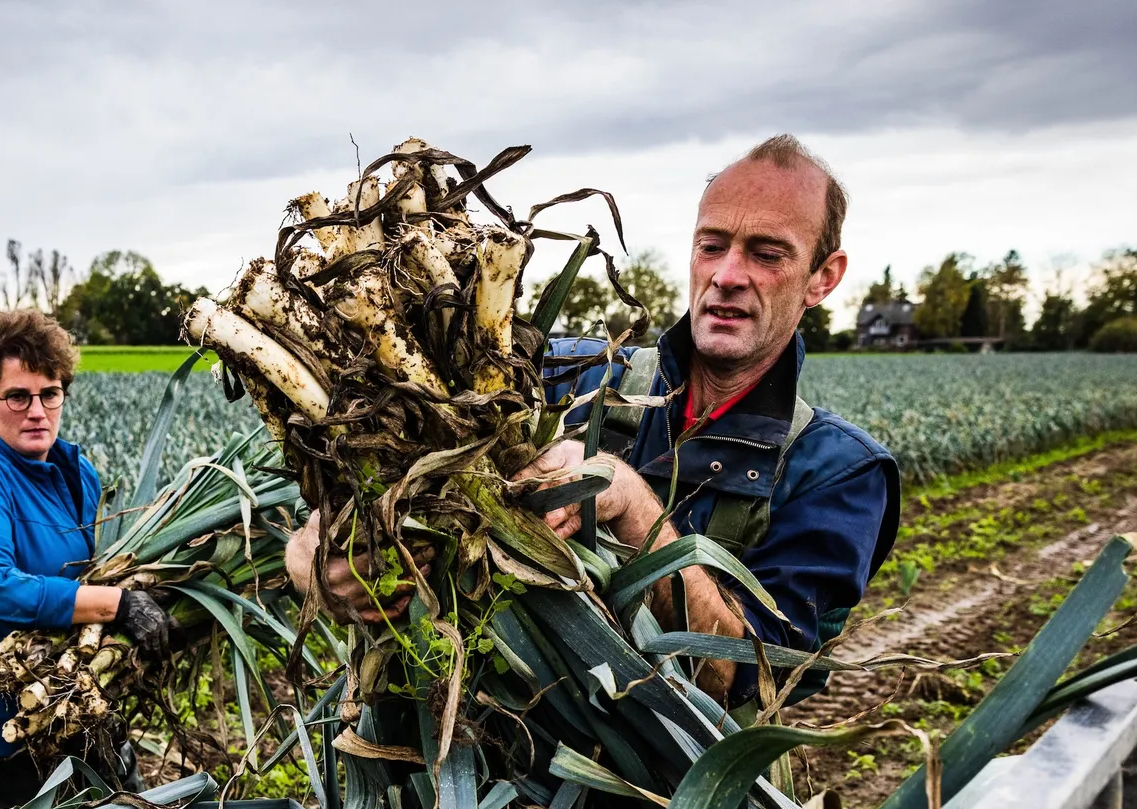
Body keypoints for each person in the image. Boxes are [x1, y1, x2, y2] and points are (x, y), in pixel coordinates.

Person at [284, 133, 899, 708]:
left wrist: (634, 508)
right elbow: (395, 452)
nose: (726, 275)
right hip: (450, 775)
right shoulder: (568, 375)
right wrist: (317, 548)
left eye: (766, 254)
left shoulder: (839, 473)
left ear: (823, 277)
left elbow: (753, 679)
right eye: (711, 245)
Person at [0, 310, 175, 809]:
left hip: (71, 711)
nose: (37, 411)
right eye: (18, 396)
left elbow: (94, 571)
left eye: (49, 393)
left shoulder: (76, 472)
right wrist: (116, 605)